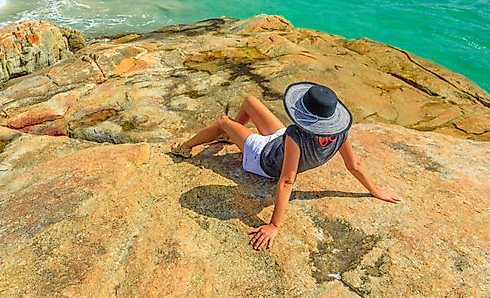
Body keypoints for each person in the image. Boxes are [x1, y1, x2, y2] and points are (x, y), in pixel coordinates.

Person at [170, 82, 402, 251]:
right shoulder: (339, 134)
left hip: (262, 159)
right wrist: (375, 191)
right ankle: (232, 136)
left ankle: (185, 147)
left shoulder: (296, 136)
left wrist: (274, 224)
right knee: (250, 101)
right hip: (278, 144)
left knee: (223, 122)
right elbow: (354, 165)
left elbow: (287, 180)